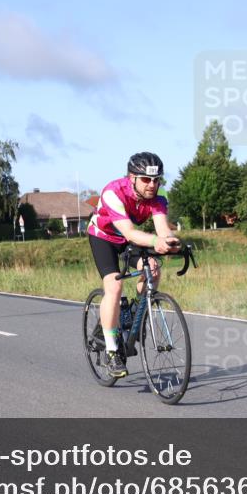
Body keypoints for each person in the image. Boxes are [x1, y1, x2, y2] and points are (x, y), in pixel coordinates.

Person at [88, 152, 180, 377]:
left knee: (154, 269)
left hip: (129, 240)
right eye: (146, 180)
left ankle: (137, 313)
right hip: (104, 237)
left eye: (157, 179)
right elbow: (128, 231)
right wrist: (156, 241)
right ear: (132, 178)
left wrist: (171, 242)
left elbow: (162, 229)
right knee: (114, 286)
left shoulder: (159, 196)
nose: (152, 185)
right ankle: (112, 351)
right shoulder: (113, 192)